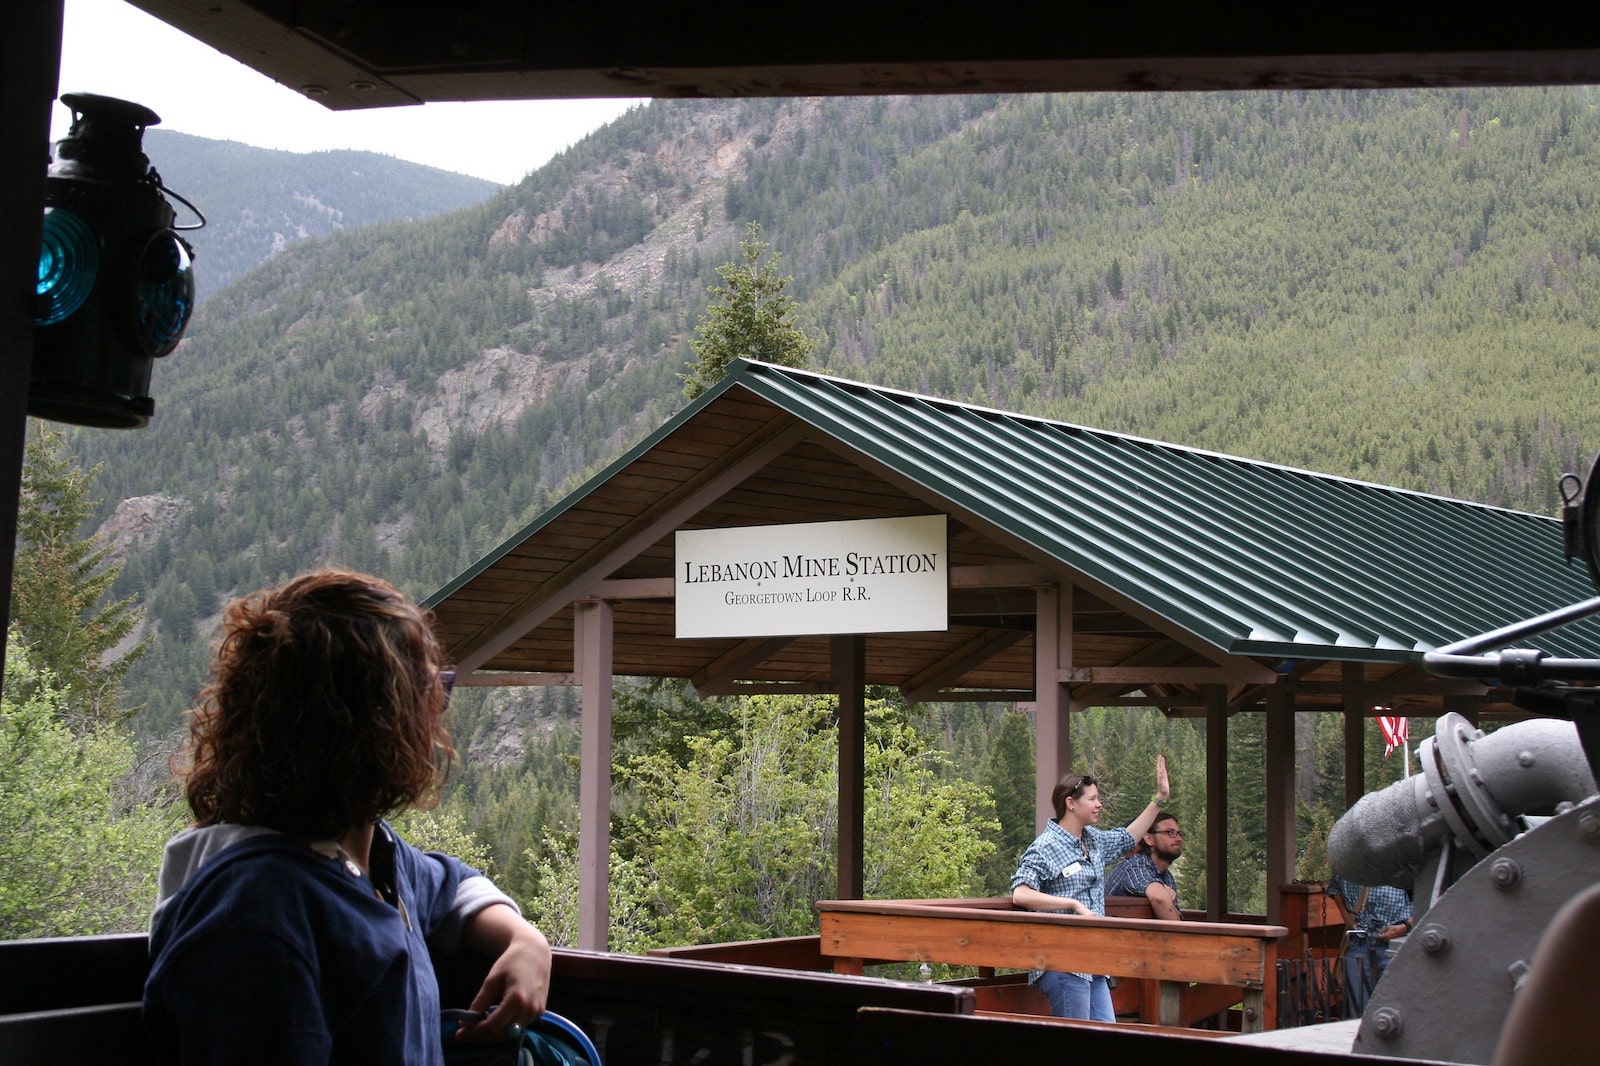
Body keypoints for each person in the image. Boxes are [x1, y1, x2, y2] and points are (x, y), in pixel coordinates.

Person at [143, 569, 553, 1065]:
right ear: (374, 722)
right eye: (432, 691)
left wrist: (525, 940)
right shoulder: (257, 915)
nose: (441, 716)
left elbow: (447, 885)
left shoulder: (366, 857)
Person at [1010, 755, 1171, 1021]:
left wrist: (1159, 798)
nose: (1099, 804)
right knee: (1077, 1041)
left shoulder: (1093, 840)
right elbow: (1021, 893)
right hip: (1062, 960)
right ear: (1071, 804)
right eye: (1093, 799)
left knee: (1105, 1033)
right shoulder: (1046, 846)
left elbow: (1127, 837)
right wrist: (1072, 904)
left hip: (1093, 960)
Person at [1327, 872, 1412, 1017]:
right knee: (1358, 1008)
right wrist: (1347, 917)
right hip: (1358, 941)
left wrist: (1405, 926)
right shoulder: (1348, 862)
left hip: (1394, 944)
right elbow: (1335, 889)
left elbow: (1429, 902)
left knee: (1391, 1007)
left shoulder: (1402, 864)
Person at [1105, 810, 1183, 920]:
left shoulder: (1166, 875)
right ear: (1149, 839)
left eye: (1180, 834)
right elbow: (1159, 897)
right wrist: (1180, 937)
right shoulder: (1134, 865)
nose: (1179, 839)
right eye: (1170, 832)